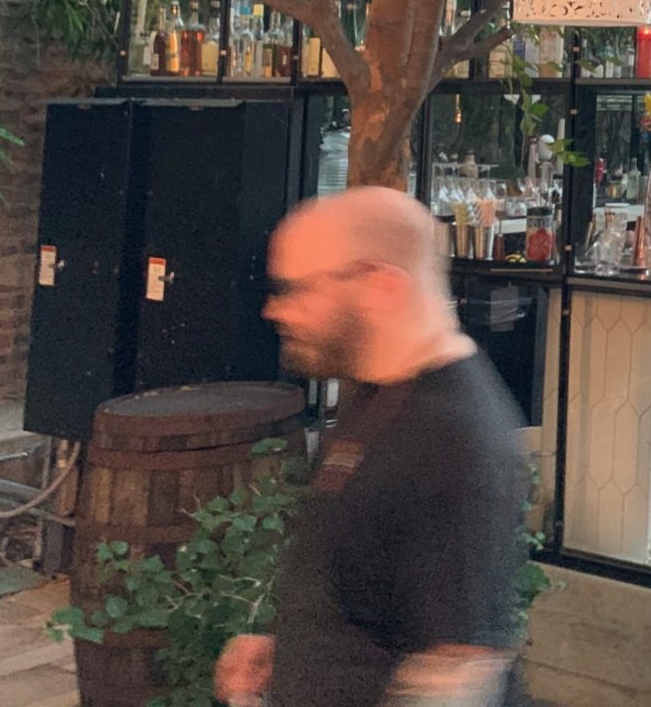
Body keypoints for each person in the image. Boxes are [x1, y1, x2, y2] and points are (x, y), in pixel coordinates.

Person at [215, 187, 529, 707]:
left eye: (296, 289)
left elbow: (457, 677)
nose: (275, 309)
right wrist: (289, 649)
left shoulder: (454, 440)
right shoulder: (378, 387)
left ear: (381, 286)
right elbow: (365, 587)